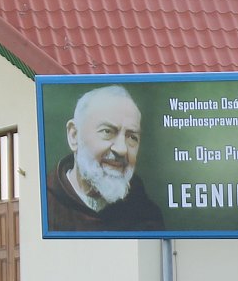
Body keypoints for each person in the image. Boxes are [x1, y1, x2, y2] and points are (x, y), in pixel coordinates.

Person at [46, 85, 166, 232]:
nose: (122, 149)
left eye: (132, 137)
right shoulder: (45, 206)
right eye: (107, 131)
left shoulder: (146, 215)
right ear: (74, 136)